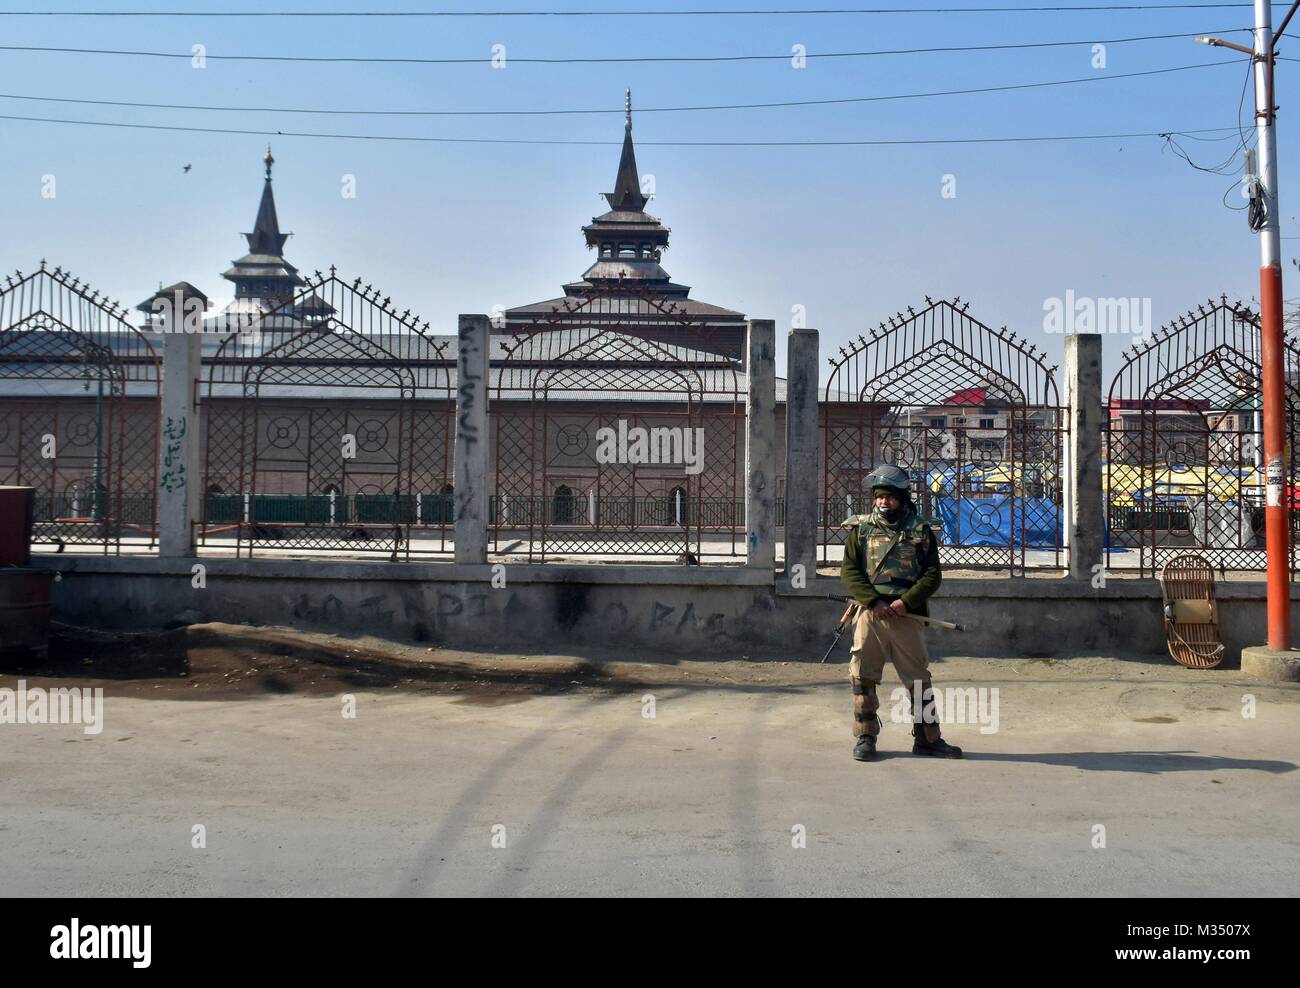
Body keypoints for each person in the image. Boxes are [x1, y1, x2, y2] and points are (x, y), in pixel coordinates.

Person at [840, 464, 963, 761]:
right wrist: (875, 602)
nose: (884, 502)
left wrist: (904, 603)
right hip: (871, 614)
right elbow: (850, 572)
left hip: (907, 616)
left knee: (919, 680)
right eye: (880, 497)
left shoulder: (920, 530)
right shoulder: (860, 528)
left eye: (891, 497)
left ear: (902, 498)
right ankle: (865, 737)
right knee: (862, 677)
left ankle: (928, 740)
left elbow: (932, 574)